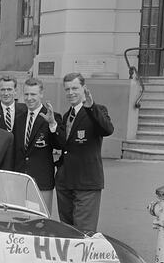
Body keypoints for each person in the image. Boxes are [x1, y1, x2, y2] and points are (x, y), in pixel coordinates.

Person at [43, 72, 114, 232]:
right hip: (65, 182)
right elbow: (63, 145)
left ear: (84, 88)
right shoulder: (68, 115)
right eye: (67, 89)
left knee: (84, 233)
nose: (71, 93)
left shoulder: (97, 110)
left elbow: (107, 130)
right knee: (68, 231)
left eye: (75, 88)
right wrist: (53, 125)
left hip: (86, 183)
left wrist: (91, 107)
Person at [14, 77, 62, 214]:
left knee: (41, 222)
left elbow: (59, 144)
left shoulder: (53, 117)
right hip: (20, 181)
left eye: (33, 94)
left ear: (41, 94)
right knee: (20, 220)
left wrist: (53, 124)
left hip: (42, 182)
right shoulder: (19, 119)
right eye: (26, 94)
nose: (29, 98)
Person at [0, 75, 27, 144]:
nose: (6, 93)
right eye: (3, 90)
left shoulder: (26, 110)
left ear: (15, 91)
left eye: (9, 89)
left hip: (19, 153)